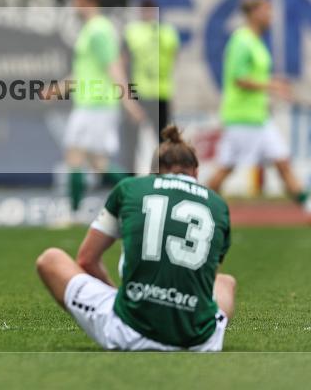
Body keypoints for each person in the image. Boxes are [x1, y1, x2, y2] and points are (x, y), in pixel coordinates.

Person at [36, 125, 236, 351]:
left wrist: (119, 295)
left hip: (129, 332)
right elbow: (206, 279)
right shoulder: (218, 205)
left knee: (51, 259)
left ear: (154, 171)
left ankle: (128, 308)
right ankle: (200, 331)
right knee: (225, 283)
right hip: (199, 341)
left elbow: (86, 260)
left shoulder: (130, 188)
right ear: (196, 173)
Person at [206, 0, 311, 223]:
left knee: (282, 162)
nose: (270, 16)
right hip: (242, 116)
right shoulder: (241, 41)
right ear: (253, 14)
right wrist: (273, 85)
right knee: (226, 167)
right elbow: (239, 79)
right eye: (266, 11)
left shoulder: (255, 40)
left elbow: (253, 76)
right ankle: (194, 203)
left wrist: (271, 83)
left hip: (258, 117)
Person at [47, 0, 143, 222]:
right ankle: (139, 201)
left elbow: (114, 67)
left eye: (76, 0)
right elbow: (85, 72)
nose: (74, 5)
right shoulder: (92, 29)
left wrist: (128, 101)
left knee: (77, 156)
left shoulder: (99, 30)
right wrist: (59, 88)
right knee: (96, 162)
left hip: (97, 104)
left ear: (87, 1)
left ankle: (74, 213)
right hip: (90, 103)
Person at [123, 0, 180, 174]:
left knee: (163, 140)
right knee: (133, 141)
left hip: (159, 92)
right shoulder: (136, 32)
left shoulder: (165, 32)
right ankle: (133, 176)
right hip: (142, 92)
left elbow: (173, 59)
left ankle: (161, 174)